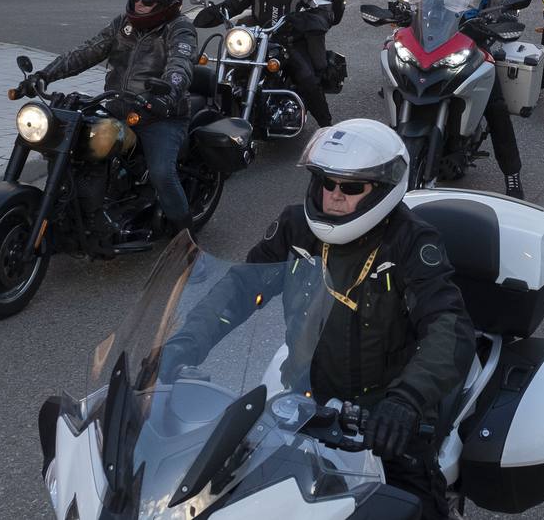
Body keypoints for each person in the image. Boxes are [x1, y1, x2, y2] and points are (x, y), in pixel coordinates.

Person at [160, 119, 474, 520]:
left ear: (382, 189)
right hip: (306, 401)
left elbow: (449, 325)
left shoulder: (412, 242)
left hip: (384, 414)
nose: (333, 196)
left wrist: (406, 402)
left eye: (350, 187)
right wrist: (184, 344)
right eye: (326, 182)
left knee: (414, 507)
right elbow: (239, 288)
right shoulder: (296, 227)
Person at [24, 0, 198, 231]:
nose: (139, 3)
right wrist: (45, 74)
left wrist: (167, 95)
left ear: (166, 3)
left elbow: (180, 67)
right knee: (77, 148)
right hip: (118, 108)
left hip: (160, 115)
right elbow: (87, 51)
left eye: (147, 0)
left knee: (162, 173)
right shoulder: (123, 25)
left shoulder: (180, 29)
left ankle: (185, 230)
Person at [411, 0, 525, 198]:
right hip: (432, 38)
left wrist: (497, 16)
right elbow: (417, 2)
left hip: (473, 41)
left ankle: (512, 176)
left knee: (495, 106)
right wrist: (404, 11)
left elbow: (502, 1)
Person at [197, 0, 335, 129]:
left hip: (290, 41)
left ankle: (326, 125)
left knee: (307, 78)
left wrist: (304, 20)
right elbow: (235, 2)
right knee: (228, 64)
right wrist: (216, 12)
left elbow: (324, 11)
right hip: (256, 39)